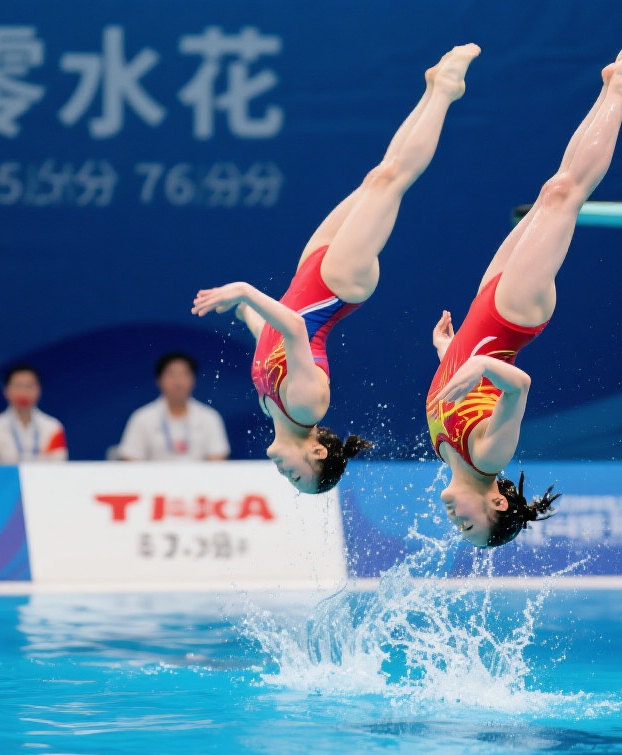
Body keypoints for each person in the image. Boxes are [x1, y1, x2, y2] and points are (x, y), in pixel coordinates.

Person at [193, 44, 481, 494]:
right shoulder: (307, 408)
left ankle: (432, 90)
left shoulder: (272, 407)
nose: (285, 474)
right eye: (298, 475)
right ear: (318, 453)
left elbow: (271, 339)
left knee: (378, 177)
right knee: (391, 182)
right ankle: (446, 91)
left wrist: (244, 313)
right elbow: (293, 328)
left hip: (311, 274)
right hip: (337, 286)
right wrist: (245, 292)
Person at [427, 36, 622, 547]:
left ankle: (617, 89)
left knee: (551, 190)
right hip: (512, 318)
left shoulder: (447, 451)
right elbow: (518, 385)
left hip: (484, 311)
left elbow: (472, 387)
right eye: (468, 524)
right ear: (497, 503)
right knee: (564, 195)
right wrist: (477, 363)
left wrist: (449, 352)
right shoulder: (488, 456)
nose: (453, 520)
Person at [117, 352, 230, 461]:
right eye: (171, 375)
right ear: (159, 380)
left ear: (193, 380)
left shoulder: (209, 417)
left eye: (184, 374)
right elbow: (131, 460)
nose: (178, 382)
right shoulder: (142, 418)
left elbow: (218, 460)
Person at [0, 365, 67, 464]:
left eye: (29, 386)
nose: (23, 392)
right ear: (6, 391)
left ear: (39, 390)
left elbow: (59, 467)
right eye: (18, 386)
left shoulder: (53, 427)